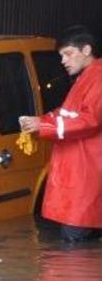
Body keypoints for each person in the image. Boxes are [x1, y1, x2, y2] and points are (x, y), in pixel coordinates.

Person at [19, 25, 102, 243]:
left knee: (74, 246)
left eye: (68, 54)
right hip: (78, 177)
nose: (64, 61)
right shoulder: (86, 78)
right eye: (62, 55)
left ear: (86, 50)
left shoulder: (98, 78)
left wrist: (43, 126)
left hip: (85, 178)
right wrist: (40, 121)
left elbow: (90, 120)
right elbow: (69, 113)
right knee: (75, 243)